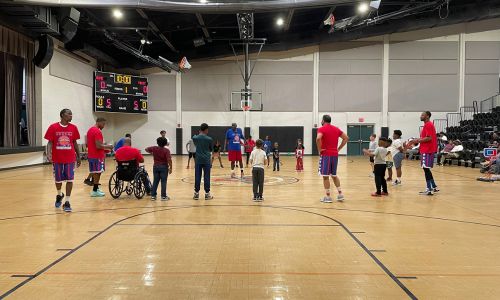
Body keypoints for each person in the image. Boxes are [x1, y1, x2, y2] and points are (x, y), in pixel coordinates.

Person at [44, 108, 81, 212]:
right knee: (58, 180)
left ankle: (67, 201)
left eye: (71, 114)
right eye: (69, 114)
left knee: (70, 179)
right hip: (57, 158)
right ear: (62, 115)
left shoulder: (74, 128)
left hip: (70, 159)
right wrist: (48, 154)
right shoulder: (53, 127)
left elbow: (74, 143)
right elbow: (50, 142)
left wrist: (78, 156)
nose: (71, 116)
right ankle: (59, 195)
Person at [316, 114, 349, 203]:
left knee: (325, 176)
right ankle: (340, 194)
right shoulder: (336, 129)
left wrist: (319, 149)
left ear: (323, 121)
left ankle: (328, 197)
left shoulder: (321, 129)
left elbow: (318, 138)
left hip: (326, 154)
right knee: (334, 175)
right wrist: (338, 149)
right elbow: (346, 138)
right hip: (335, 155)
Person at [409, 111, 439, 196]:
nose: (420, 116)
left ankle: (429, 190)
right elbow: (425, 138)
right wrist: (416, 140)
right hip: (426, 149)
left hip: (427, 150)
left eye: (422, 115)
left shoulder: (428, 125)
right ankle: (433, 186)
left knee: (426, 169)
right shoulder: (427, 125)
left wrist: (417, 140)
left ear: (427, 116)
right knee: (427, 169)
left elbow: (429, 138)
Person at [86, 117, 114, 197]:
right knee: (97, 173)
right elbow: (98, 146)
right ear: (99, 122)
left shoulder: (90, 130)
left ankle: (96, 188)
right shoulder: (97, 131)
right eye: (103, 124)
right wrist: (109, 146)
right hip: (97, 156)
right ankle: (95, 190)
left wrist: (105, 149)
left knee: (95, 172)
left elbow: (93, 145)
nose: (104, 126)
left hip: (92, 155)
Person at [193, 123, 214, 200]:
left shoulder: (195, 138)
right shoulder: (209, 139)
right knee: (206, 177)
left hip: (198, 160)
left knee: (197, 176)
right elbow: (211, 149)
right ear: (206, 130)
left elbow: (194, 139)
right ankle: (207, 194)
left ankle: (196, 194)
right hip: (206, 160)